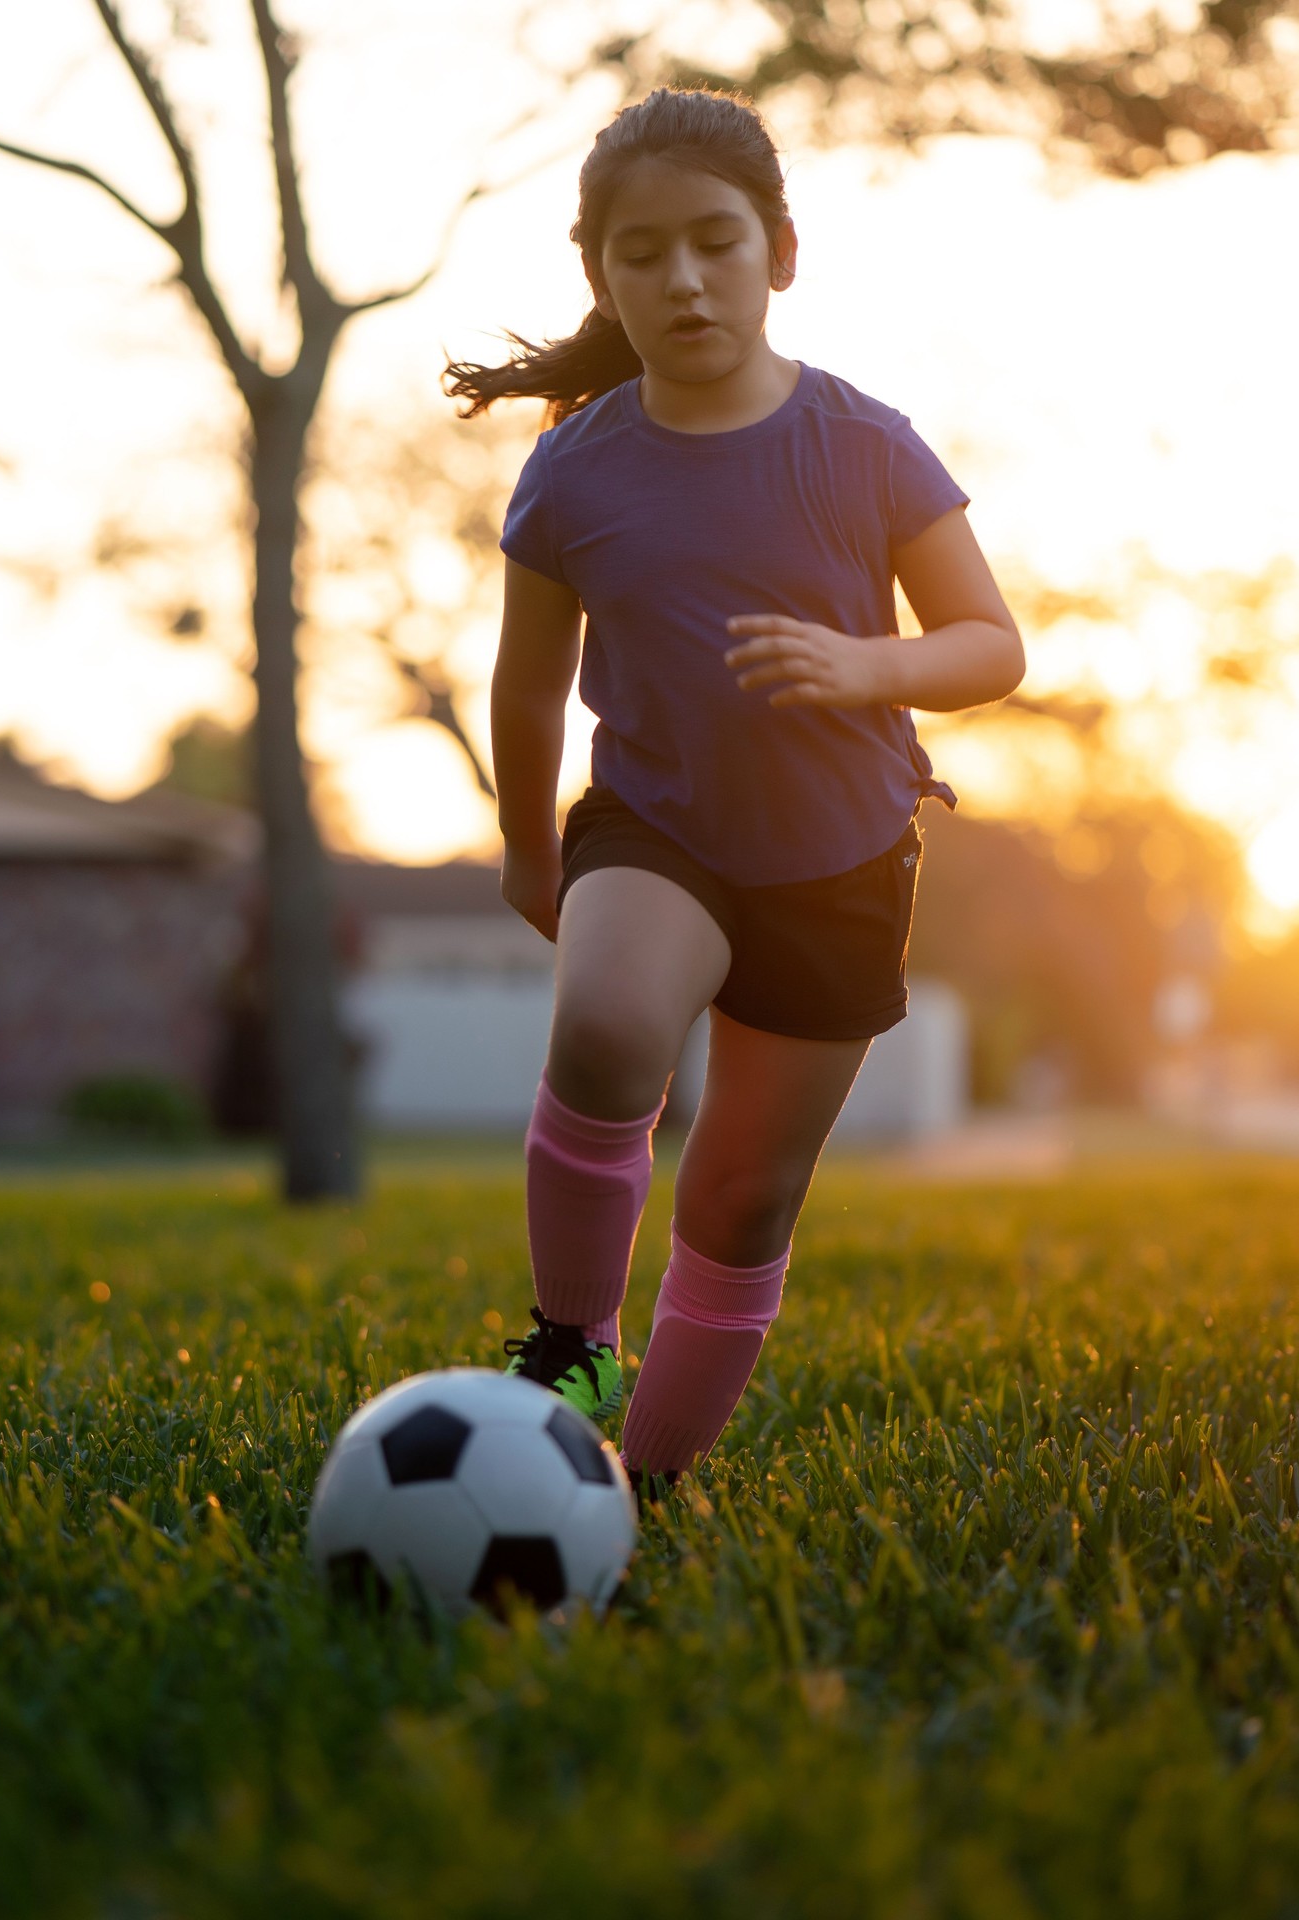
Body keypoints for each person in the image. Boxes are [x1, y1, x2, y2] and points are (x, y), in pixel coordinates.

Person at [444, 87, 1023, 1483]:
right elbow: (528, 687)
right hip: (659, 830)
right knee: (604, 1030)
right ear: (602, 275)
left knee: (742, 1195)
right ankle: (574, 1342)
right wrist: (533, 854)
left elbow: (990, 646)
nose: (683, 279)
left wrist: (864, 666)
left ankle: (634, 1487)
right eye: (641, 254)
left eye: (715, 241)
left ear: (780, 250)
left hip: (839, 862)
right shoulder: (572, 473)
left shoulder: (865, 442)